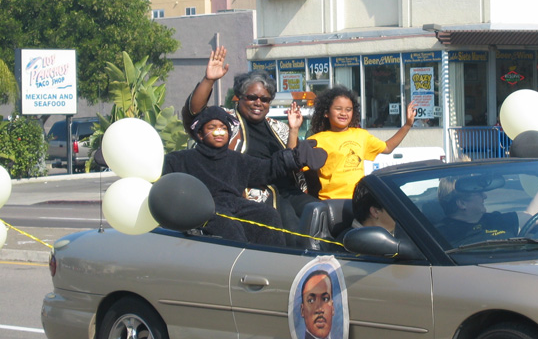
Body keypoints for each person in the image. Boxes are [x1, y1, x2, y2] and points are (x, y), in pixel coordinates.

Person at [182, 46, 317, 241]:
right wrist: (209, 80)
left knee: (317, 211)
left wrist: (294, 130)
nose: (258, 103)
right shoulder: (226, 121)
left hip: (288, 190)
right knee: (288, 220)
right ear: (239, 98)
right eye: (252, 97)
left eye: (264, 99)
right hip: (253, 193)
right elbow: (194, 114)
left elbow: (291, 161)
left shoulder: (278, 126)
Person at [163, 106, 327, 245]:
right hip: (205, 208)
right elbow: (165, 182)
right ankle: (238, 266)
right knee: (228, 225)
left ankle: (273, 260)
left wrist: (295, 158)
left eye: (224, 128)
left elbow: (268, 168)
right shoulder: (181, 159)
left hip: (235, 204)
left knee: (268, 215)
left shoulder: (237, 159)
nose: (219, 132)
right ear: (200, 134)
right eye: (212, 127)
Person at [307, 86, 416, 200]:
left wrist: (407, 125)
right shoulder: (316, 140)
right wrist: (294, 129)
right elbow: (295, 161)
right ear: (326, 113)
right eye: (338, 109)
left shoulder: (362, 135)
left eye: (348, 109)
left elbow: (388, 147)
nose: (344, 113)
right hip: (331, 203)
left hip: (359, 201)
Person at [437, 159, 538, 246]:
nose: (485, 196)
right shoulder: (442, 236)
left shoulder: (493, 219)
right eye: (478, 192)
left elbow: (532, 216)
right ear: (461, 204)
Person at [299, 270, 340, 339]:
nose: (319, 309)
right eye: (311, 300)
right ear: (302, 310)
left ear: (332, 307)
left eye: (325, 299)